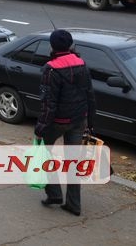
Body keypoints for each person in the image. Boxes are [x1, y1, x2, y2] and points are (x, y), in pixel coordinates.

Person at [36, 29, 96, 217]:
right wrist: (91, 122)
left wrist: (41, 128)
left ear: (52, 46)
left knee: (45, 153)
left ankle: (54, 193)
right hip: (79, 119)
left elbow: (48, 103)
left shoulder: (51, 69)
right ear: (70, 46)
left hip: (57, 122)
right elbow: (90, 95)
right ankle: (74, 204)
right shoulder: (82, 64)